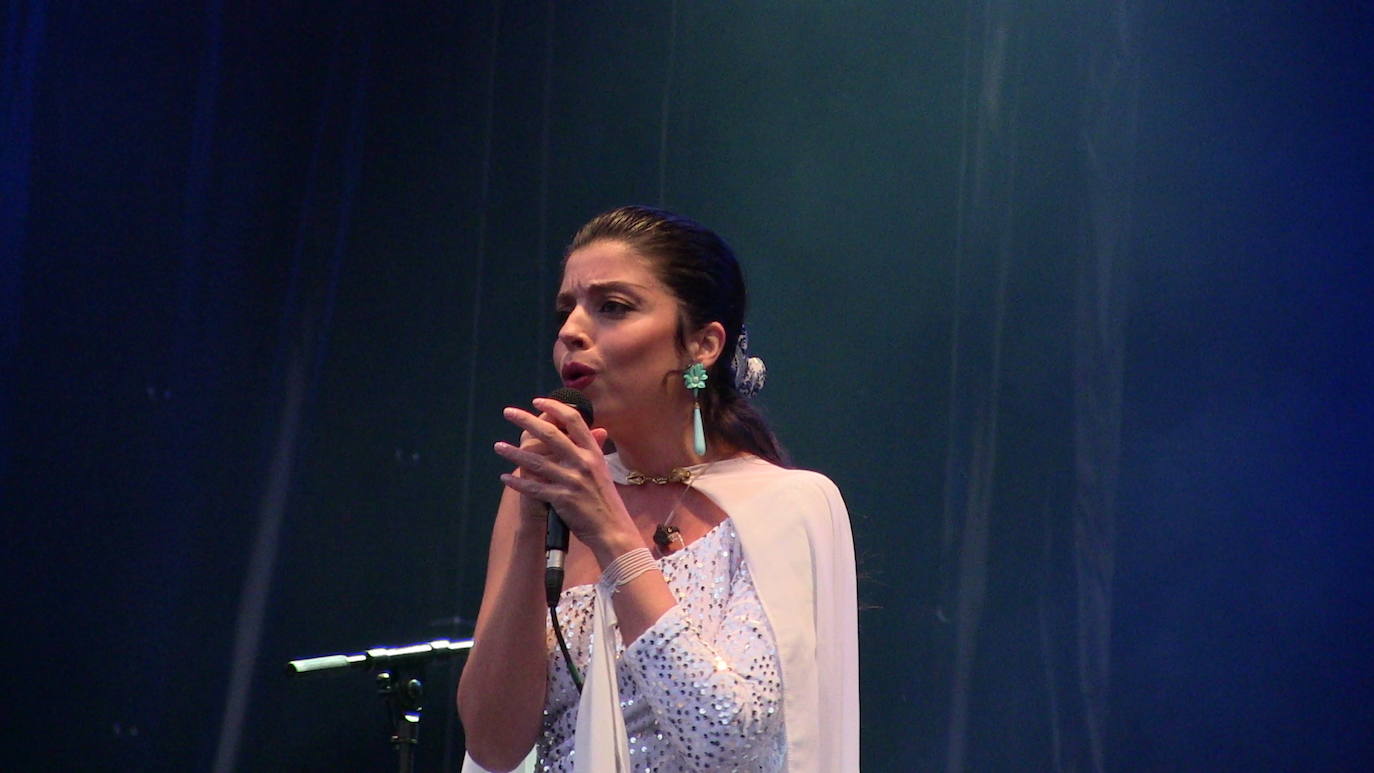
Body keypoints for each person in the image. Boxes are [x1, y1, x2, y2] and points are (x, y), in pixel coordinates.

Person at [457, 206, 858, 772]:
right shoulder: (539, 497)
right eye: (565, 311)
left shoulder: (784, 506)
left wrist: (614, 539)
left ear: (702, 346)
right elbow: (494, 747)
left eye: (612, 308)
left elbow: (724, 738)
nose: (571, 331)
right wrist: (530, 524)